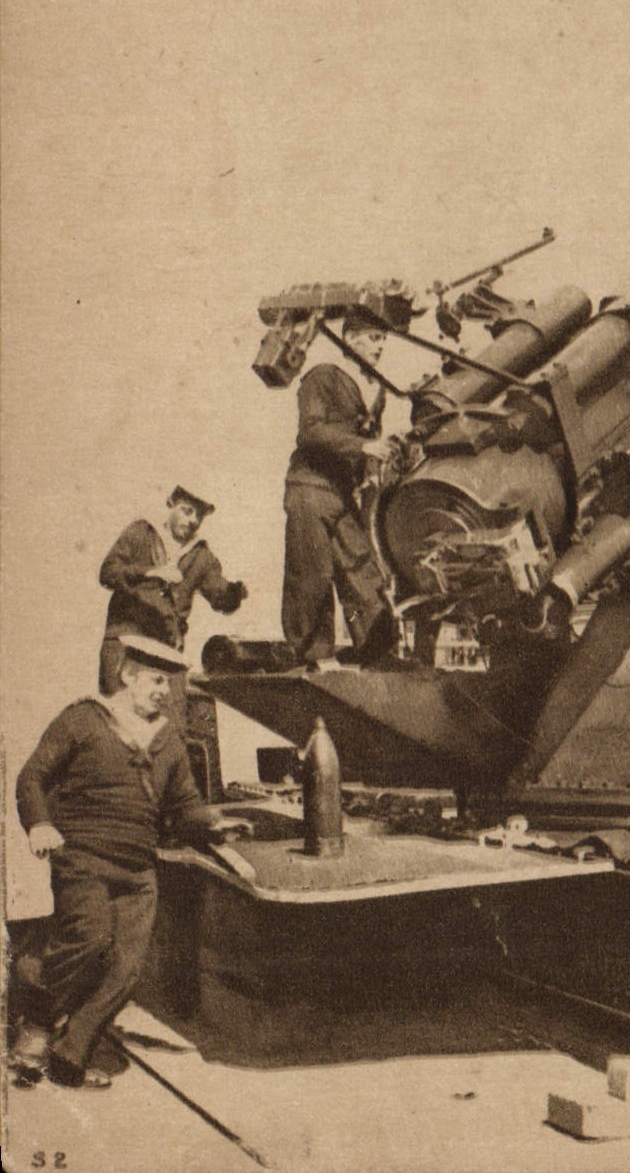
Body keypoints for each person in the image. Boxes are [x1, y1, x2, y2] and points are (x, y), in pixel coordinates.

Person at [10, 635, 251, 1089]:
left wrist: (216, 825)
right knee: (89, 938)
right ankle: (36, 1019)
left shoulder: (168, 740)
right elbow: (31, 777)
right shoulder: (84, 719)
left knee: (127, 969)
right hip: (83, 859)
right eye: (157, 680)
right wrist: (39, 824)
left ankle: (71, 1051)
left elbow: (185, 806)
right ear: (127, 675)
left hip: (138, 872)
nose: (165, 692)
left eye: (170, 684)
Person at [281, 330, 396, 665]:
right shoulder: (323, 376)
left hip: (343, 495)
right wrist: (364, 446)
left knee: (362, 569)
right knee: (311, 575)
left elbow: (370, 444)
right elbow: (311, 432)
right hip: (310, 488)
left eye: (383, 338)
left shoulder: (376, 390)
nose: (380, 345)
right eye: (372, 337)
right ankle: (312, 657)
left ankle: (378, 653)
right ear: (349, 337)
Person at [98, 484, 247, 699]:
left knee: (172, 714)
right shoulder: (141, 532)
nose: (193, 520)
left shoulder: (202, 556)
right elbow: (108, 573)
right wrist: (151, 573)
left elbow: (220, 597)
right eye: (187, 511)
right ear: (171, 503)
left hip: (165, 651)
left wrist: (235, 593)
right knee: (118, 713)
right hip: (125, 644)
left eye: (199, 516)